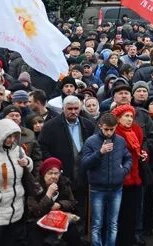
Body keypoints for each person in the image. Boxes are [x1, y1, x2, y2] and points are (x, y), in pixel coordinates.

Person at [38, 95, 96, 223]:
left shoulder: (88, 125)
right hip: (61, 177)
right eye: (70, 109)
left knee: (82, 208)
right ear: (63, 108)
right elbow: (42, 148)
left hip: (83, 175)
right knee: (64, 209)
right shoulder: (50, 126)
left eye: (76, 108)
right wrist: (54, 166)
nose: (73, 111)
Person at [81, 113, 131, 246]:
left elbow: (128, 157)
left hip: (116, 188)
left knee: (113, 224)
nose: (109, 132)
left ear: (116, 127)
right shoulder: (91, 141)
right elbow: (84, 164)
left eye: (112, 129)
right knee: (97, 224)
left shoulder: (120, 140)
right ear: (100, 126)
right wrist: (100, 152)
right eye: (106, 129)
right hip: (97, 189)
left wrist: (123, 171)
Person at [25, 156, 83, 246]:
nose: (53, 176)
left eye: (56, 173)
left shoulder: (64, 184)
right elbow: (35, 211)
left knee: (72, 230)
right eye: (50, 173)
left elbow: (72, 202)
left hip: (60, 219)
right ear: (44, 174)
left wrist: (60, 205)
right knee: (35, 232)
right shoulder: (35, 186)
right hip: (40, 221)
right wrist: (48, 195)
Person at [111, 103, 146, 246]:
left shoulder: (136, 130)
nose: (129, 119)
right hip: (121, 179)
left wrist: (143, 154)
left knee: (132, 212)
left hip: (135, 176)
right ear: (118, 118)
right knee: (120, 214)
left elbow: (139, 150)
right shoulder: (115, 133)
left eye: (131, 116)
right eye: (126, 116)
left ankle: (130, 239)